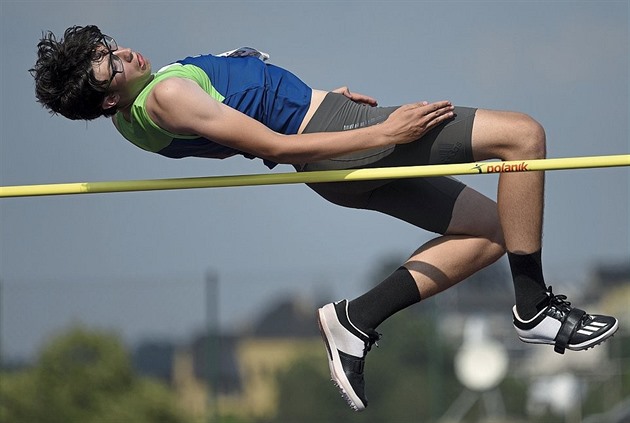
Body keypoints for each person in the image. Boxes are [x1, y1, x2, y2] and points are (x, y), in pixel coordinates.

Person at [30, 25, 618, 411]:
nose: (121, 53)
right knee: (523, 137)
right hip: (345, 137)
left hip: (333, 135)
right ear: (105, 98)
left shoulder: (135, 118)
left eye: (108, 45)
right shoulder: (164, 98)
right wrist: (383, 131)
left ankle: (354, 320)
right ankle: (534, 306)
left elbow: (250, 118)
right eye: (106, 64)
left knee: (492, 231)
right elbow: (277, 148)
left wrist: (310, 96)